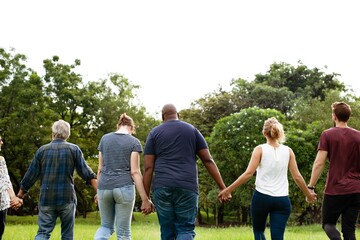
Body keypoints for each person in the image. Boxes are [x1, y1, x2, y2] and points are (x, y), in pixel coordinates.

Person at [218, 117, 317, 240]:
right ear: (279, 132)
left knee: (259, 232)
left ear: (264, 132)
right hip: (282, 200)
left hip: (261, 198)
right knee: (278, 237)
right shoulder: (288, 151)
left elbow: (248, 173)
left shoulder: (259, 149)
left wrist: (228, 190)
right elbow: (297, 176)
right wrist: (308, 194)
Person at [143, 103, 230, 240]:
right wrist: (222, 187)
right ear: (178, 115)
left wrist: (146, 198)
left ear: (162, 117)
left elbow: (148, 167)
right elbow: (208, 160)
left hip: (162, 187)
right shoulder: (192, 130)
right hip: (187, 187)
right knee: (185, 229)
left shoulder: (154, 133)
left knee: (167, 231)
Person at [16, 120, 98, 240]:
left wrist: (19, 196)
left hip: (46, 199)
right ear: (67, 134)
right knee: (67, 235)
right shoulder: (74, 150)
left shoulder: (42, 151)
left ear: (53, 133)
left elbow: (30, 175)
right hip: (67, 199)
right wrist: (99, 191)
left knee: (43, 233)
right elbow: (87, 173)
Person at [94, 113, 154, 240]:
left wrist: (97, 192)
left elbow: (100, 169)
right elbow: (135, 172)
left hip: (104, 188)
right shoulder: (133, 142)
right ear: (131, 128)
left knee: (105, 226)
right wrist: (145, 199)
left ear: (119, 125)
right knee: (123, 233)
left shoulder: (104, 139)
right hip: (124, 188)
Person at [308, 102, 360, 240]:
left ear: (334, 116)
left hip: (335, 190)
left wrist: (311, 186)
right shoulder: (358, 136)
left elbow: (319, 163)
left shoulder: (327, 135)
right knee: (349, 230)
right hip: (356, 191)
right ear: (348, 117)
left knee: (328, 224)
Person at [0, 136, 23, 240]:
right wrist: (13, 198)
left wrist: (13, 198)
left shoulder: (1, 159)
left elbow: (5, 180)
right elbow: (4, 181)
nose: (2, 142)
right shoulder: (0, 160)